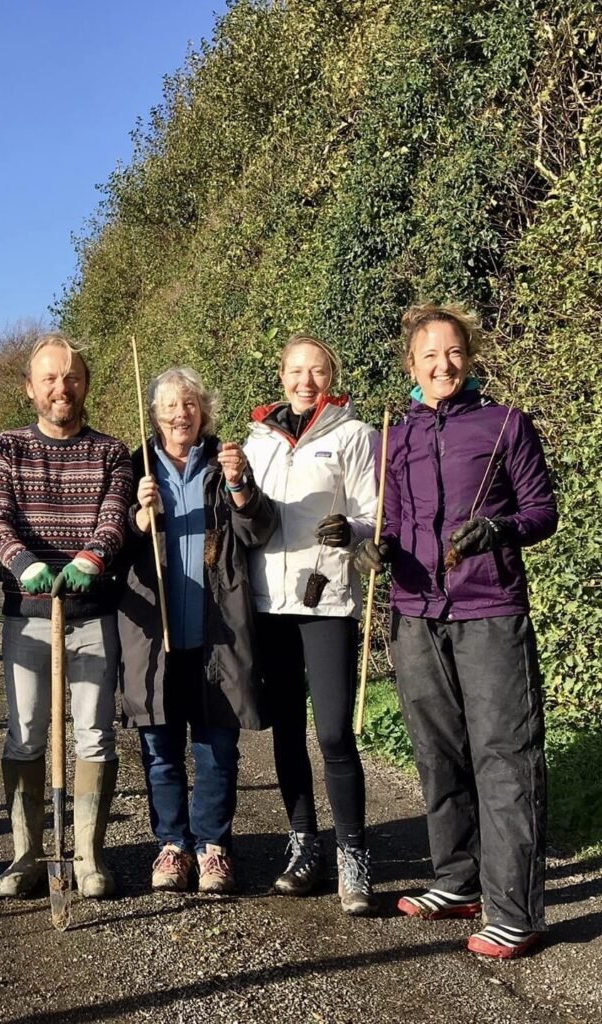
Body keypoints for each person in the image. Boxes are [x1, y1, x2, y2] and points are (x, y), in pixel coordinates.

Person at [355, 303, 557, 958]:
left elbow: (540, 510)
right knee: (437, 752)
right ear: (411, 367)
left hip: (490, 608)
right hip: (415, 613)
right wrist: (377, 549)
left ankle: (516, 910)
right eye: (429, 356)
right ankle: (457, 879)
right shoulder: (397, 436)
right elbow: (389, 521)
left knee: (504, 755)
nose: (444, 364)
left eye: (454, 353)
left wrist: (500, 529)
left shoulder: (506, 425)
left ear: (468, 358)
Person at [0, 332, 132, 899]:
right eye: (49, 378)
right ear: (30, 388)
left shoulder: (111, 452)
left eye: (70, 377)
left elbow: (114, 519)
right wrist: (23, 565)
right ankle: (26, 853)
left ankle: (88, 856)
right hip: (29, 613)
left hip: (92, 613)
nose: (61, 387)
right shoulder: (6, 449)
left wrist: (91, 558)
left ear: (85, 385)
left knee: (93, 734)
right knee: (24, 734)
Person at [118, 367, 276, 894]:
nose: (179, 414)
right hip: (153, 637)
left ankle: (212, 847)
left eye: (189, 405)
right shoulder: (133, 470)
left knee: (217, 748)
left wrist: (240, 486)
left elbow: (259, 530)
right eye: (169, 406)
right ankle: (171, 844)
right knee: (160, 746)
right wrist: (139, 520)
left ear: (203, 413)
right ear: (156, 415)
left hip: (218, 634)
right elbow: (109, 544)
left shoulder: (224, 465)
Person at [243, 334, 379, 915]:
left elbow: (377, 514)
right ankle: (305, 845)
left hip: (326, 600)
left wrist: (353, 530)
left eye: (317, 371)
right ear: (281, 376)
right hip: (269, 602)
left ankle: (354, 854)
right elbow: (245, 514)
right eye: (296, 371)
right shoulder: (255, 441)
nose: (306, 381)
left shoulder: (354, 434)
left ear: (332, 375)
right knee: (286, 732)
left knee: (332, 733)